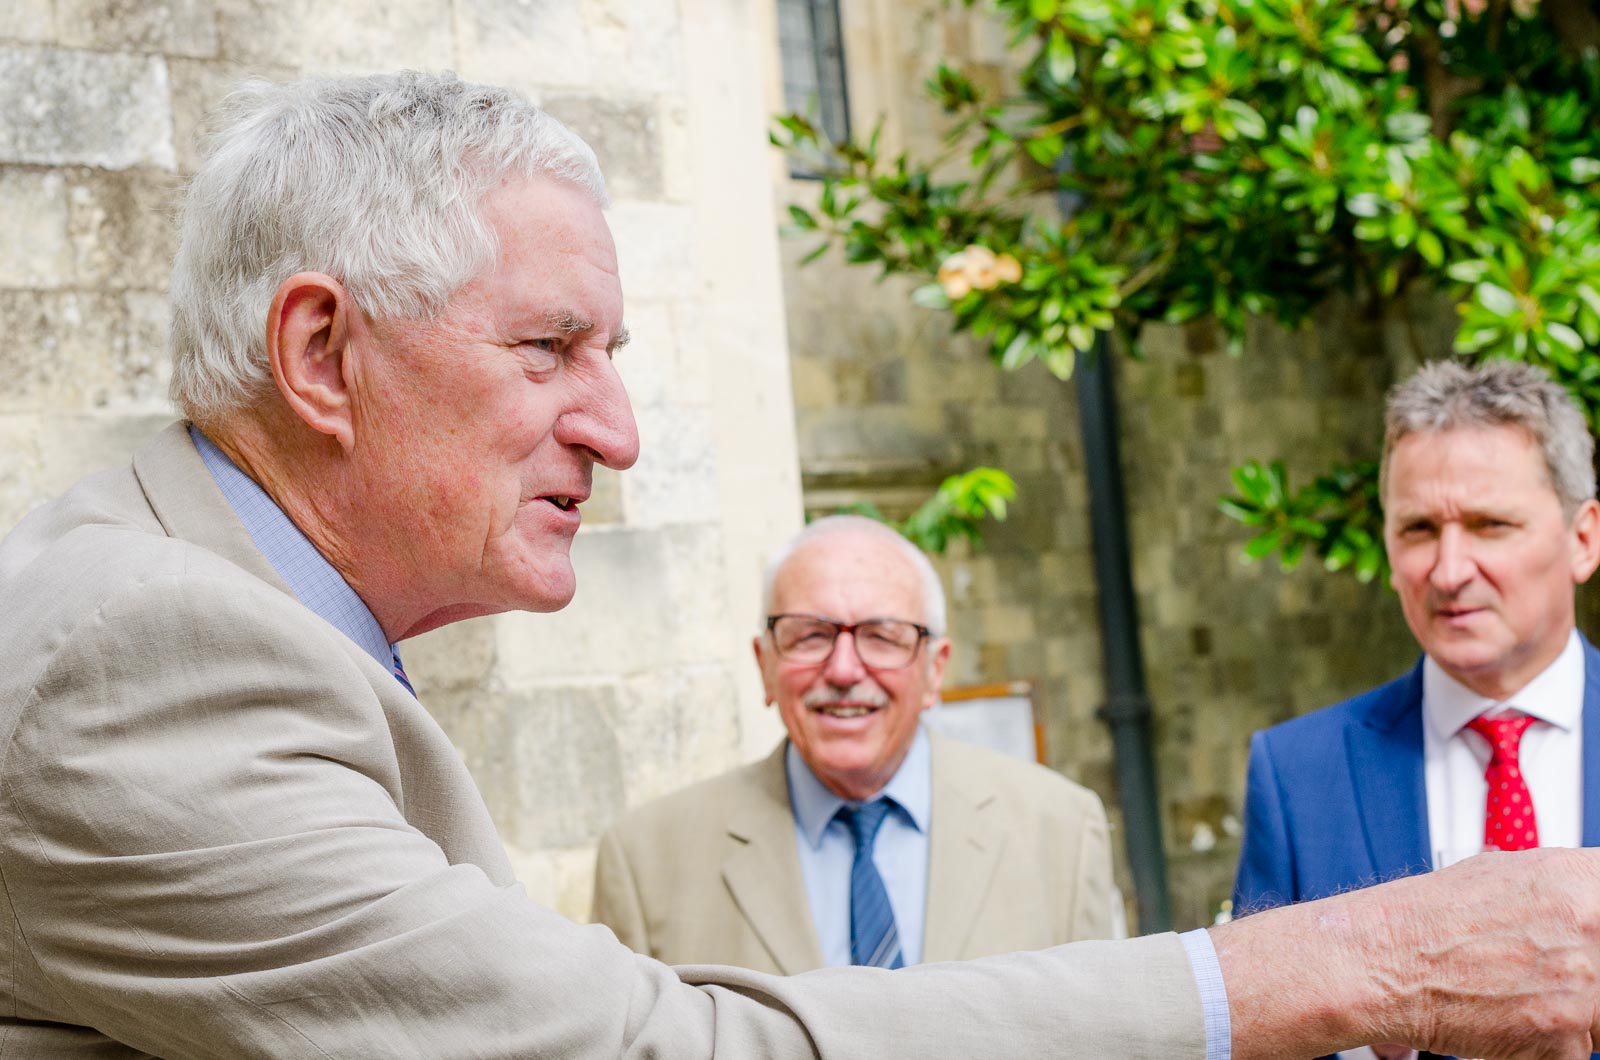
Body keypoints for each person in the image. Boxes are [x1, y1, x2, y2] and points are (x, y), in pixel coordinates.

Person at [2, 70, 1600, 1060]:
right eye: (552, 346)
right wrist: (1357, 963)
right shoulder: (151, 657)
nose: (617, 430)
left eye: (609, 352)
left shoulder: (201, 610)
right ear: (323, 353)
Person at [1234, 359, 1600, 1060]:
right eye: (1420, 529)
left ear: (1582, 539)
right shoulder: (1298, 778)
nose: (1449, 569)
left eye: (1491, 525)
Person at [591, 514, 1116, 972]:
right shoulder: (646, 862)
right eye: (810, 635)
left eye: (882, 636)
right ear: (764, 666)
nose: (843, 670)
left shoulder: (1062, 831)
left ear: (935, 670)